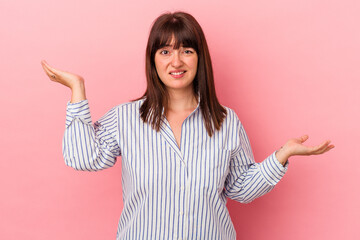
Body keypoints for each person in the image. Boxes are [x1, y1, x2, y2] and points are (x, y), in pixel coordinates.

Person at [41, 11, 334, 240]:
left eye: (186, 50)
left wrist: (283, 154)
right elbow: (81, 156)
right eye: (165, 52)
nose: (176, 61)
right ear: (153, 60)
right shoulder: (126, 118)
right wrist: (77, 89)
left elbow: (241, 188)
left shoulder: (225, 122)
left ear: (199, 57)